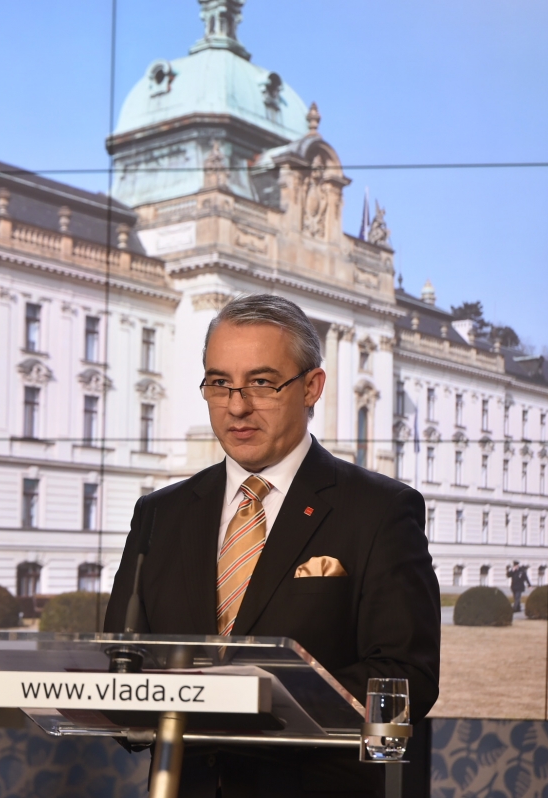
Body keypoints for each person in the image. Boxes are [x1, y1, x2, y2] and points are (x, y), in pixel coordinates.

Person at [104, 294, 440, 798]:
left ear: (312, 387)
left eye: (261, 383)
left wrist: (254, 697)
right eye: (220, 383)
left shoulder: (380, 510)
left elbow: (407, 677)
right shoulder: (159, 514)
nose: (237, 406)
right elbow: (121, 664)